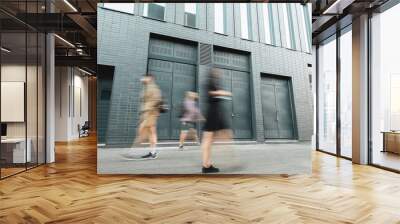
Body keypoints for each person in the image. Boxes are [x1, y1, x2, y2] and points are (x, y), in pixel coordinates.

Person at [201, 68, 232, 173]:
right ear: (213, 73)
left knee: (209, 140)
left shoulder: (214, 82)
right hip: (212, 113)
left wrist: (221, 93)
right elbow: (211, 93)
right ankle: (206, 165)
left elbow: (213, 94)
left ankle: (207, 164)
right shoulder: (209, 82)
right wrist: (223, 93)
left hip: (214, 112)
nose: (219, 73)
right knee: (208, 140)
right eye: (217, 71)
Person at [129, 74, 162, 159]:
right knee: (151, 133)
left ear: (150, 78)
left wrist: (148, 110)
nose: (142, 79)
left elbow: (157, 100)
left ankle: (133, 151)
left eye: (144, 77)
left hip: (150, 113)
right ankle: (153, 152)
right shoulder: (147, 87)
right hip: (147, 113)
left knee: (142, 131)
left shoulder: (153, 87)